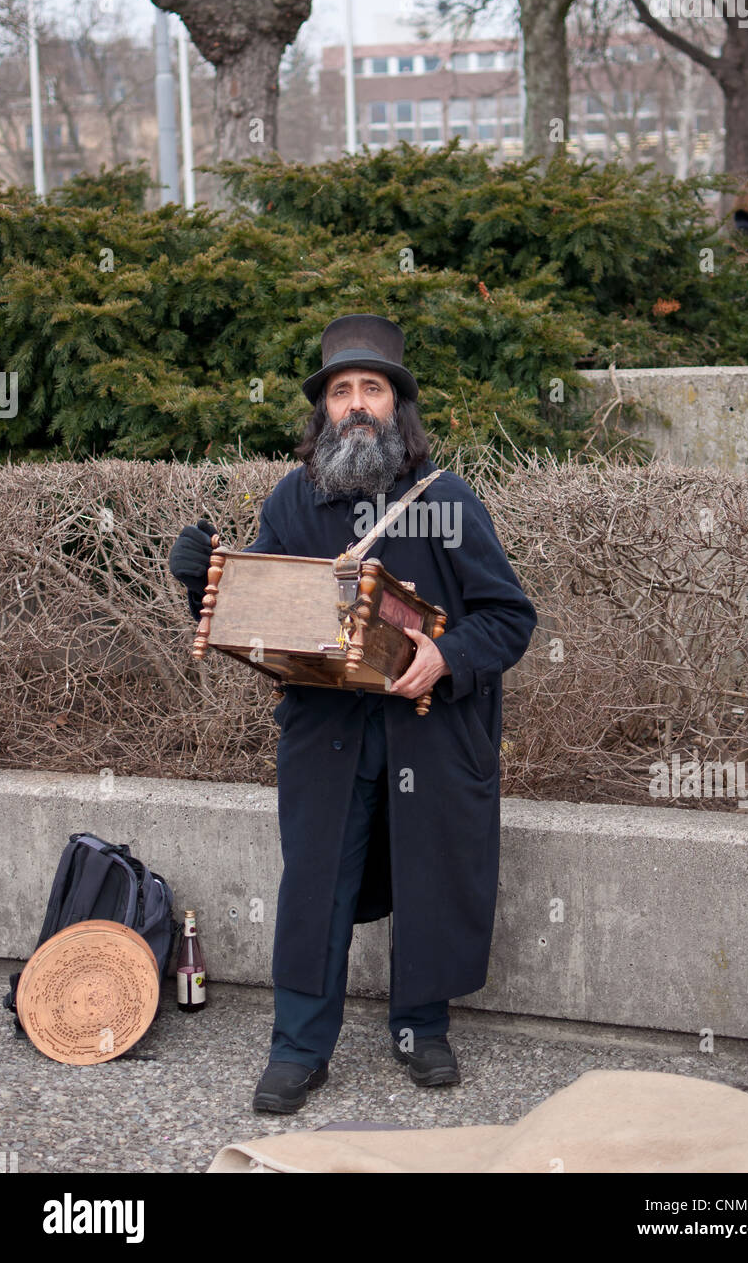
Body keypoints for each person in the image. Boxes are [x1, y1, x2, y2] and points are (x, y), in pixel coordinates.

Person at [168, 314, 538, 1113]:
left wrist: (447, 656)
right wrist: (201, 580)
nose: (357, 404)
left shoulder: (447, 500)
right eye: (342, 392)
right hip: (325, 733)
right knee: (315, 887)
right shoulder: (293, 501)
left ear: (397, 407)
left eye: (373, 389)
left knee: (430, 872)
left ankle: (421, 1029)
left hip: (429, 729)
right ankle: (298, 1048)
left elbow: (509, 617)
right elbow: (257, 612)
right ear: (323, 412)